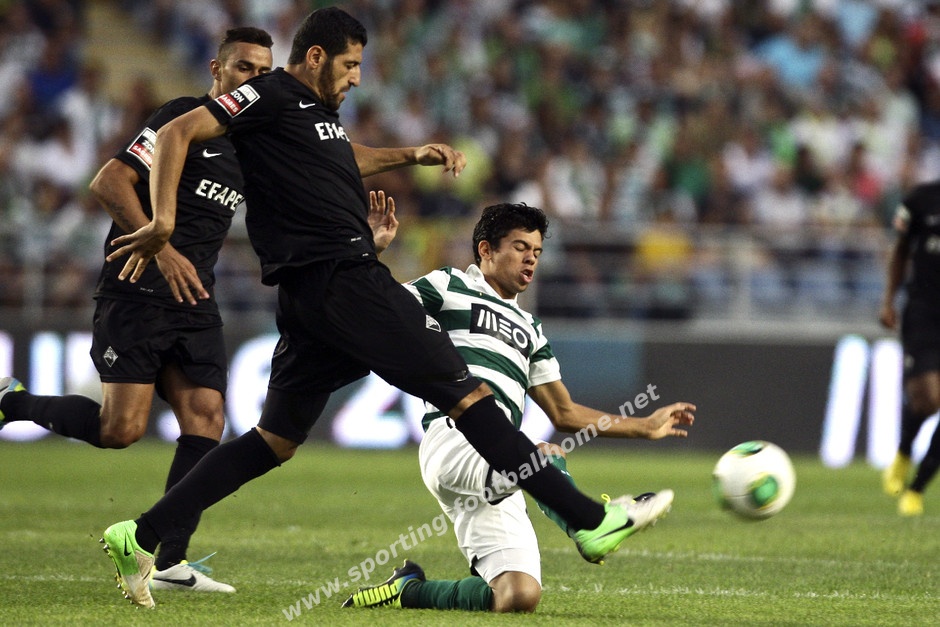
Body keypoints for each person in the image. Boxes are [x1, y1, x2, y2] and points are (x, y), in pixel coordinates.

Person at [99, 7, 678, 609]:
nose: (356, 77)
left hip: (315, 293)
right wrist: (162, 223)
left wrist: (411, 155)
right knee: (466, 393)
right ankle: (588, 519)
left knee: (275, 439)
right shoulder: (268, 94)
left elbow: (343, 159)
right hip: (344, 280)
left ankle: (139, 535)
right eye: (350, 65)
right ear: (316, 57)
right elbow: (176, 133)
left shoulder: (313, 115)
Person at [0, 26, 276, 593]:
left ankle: (171, 560)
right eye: (244, 68)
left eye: (264, 73)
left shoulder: (253, 143)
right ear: (217, 70)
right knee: (120, 429)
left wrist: (406, 159)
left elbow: (333, 161)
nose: (254, 80)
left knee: (207, 418)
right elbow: (109, 182)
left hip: (194, 296)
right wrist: (163, 248)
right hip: (137, 289)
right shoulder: (181, 118)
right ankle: (13, 402)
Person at [343, 200, 695, 612]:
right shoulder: (448, 285)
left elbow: (564, 413)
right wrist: (370, 250)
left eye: (537, 252)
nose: (531, 259)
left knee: (518, 595)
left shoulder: (531, 329)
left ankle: (408, 590)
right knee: (543, 455)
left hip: (503, 464)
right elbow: (375, 307)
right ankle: (590, 525)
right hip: (455, 442)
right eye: (520, 247)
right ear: (486, 250)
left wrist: (644, 425)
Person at [880, 180, 940, 517]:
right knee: (928, 398)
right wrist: (888, 299)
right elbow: (900, 250)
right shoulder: (921, 199)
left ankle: (916, 489)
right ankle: (904, 451)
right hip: (924, 312)